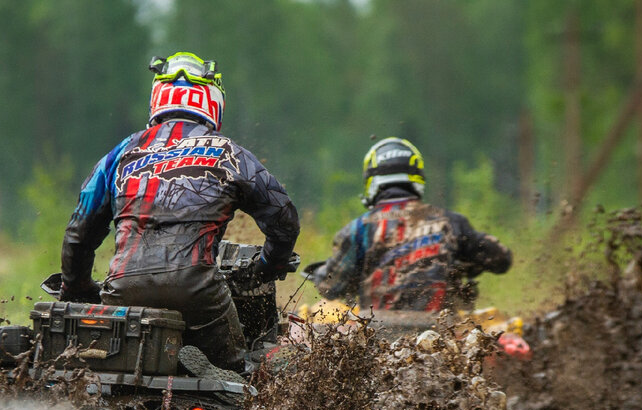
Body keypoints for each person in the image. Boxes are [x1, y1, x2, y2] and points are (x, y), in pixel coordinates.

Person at [60, 52, 300, 372]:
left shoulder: (122, 152)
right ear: (212, 101)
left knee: (107, 373)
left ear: (157, 98)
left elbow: (79, 234)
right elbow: (284, 219)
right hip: (198, 291)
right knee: (239, 375)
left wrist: (78, 290)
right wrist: (269, 266)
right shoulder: (228, 152)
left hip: (123, 292)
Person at [309, 137, 511, 312]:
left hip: (378, 340)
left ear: (373, 181)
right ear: (416, 177)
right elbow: (502, 259)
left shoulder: (359, 229)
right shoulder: (451, 222)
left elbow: (329, 286)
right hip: (443, 337)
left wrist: (317, 273)